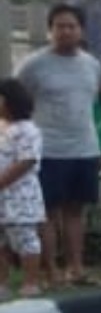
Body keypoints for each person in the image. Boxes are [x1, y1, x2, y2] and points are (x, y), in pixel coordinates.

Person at [16, 3, 101, 287]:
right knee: (48, 212)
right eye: (59, 27)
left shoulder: (90, 63)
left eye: (71, 26)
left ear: (81, 31)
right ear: (50, 30)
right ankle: (50, 272)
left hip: (84, 148)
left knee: (76, 212)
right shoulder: (32, 65)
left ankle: (76, 268)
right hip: (47, 149)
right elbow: (13, 103)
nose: (65, 31)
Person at [0, 78, 48, 299]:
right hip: (2, 196)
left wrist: (2, 181)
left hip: (20, 194)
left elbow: (26, 160)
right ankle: (2, 282)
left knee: (25, 237)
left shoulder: (27, 130)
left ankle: (31, 281)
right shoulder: (2, 128)